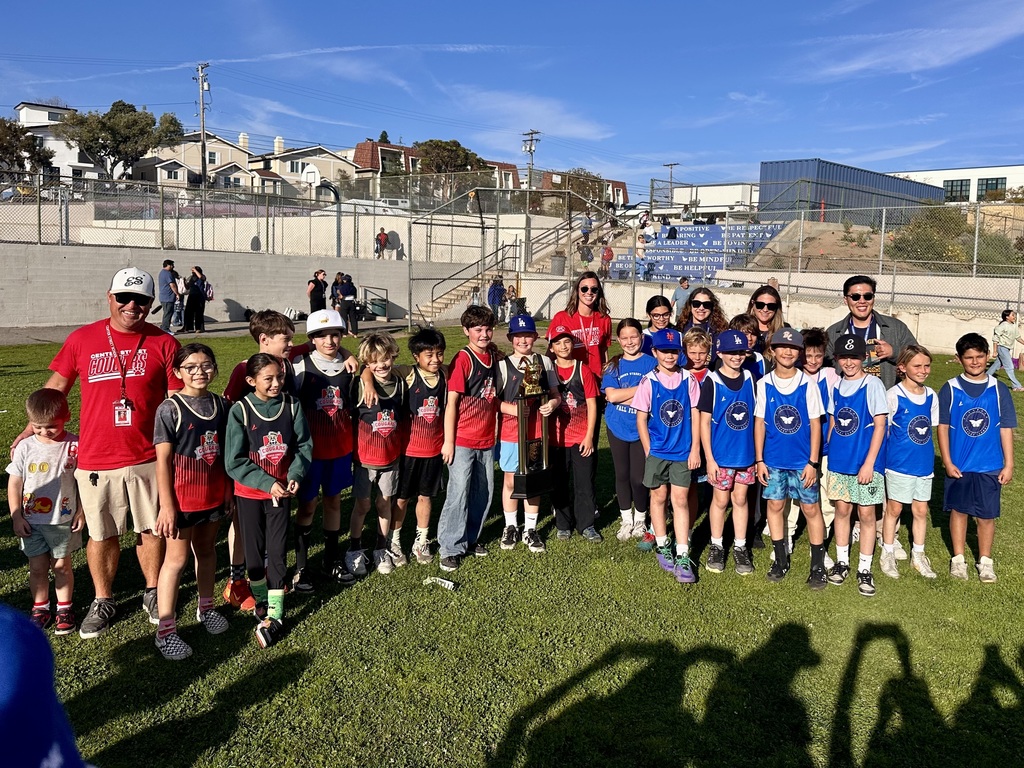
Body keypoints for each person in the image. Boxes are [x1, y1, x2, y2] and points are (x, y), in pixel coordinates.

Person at [9, 267, 182, 640]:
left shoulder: (164, 343)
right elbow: (56, 386)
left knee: (150, 529)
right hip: (96, 456)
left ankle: (152, 591)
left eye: (141, 300)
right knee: (101, 534)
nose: (132, 306)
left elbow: (175, 399)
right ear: (110, 297)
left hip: (148, 455)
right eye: (124, 298)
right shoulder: (83, 338)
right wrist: (30, 426)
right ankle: (103, 598)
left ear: (152, 305)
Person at [152, 343, 232, 660]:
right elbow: (162, 462)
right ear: (177, 372)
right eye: (191, 367)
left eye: (206, 365)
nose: (200, 372)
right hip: (182, 501)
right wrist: (167, 505)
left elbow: (225, 453)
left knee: (207, 552)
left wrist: (227, 491)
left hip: (213, 496)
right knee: (176, 561)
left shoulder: (222, 405)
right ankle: (166, 631)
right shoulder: (169, 409)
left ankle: (206, 608)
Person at [225, 354, 311, 640]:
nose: (276, 384)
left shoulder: (292, 405)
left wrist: (295, 475)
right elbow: (234, 461)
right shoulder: (240, 411)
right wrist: (266, 482)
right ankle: (260, 598)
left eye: (280, 377)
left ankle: (275, 610)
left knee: (276, 550)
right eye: (268, 379)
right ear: (251, 381)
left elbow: (303, 446)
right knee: (253, 550)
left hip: (282, 492)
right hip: (250, 494)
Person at [937, 332, 1016, 583]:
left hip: (990, 465)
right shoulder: (950, 388)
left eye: (979, 357)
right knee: (959, 512)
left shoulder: (998, 389)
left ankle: (985, 561)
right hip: (960, 465)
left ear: (988, 356)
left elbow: (1005, 428)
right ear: (960, 359)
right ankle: (958, 560)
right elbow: (941, 427)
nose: (974, 362)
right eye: (968, 357)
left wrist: (1009, 463)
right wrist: (947, 462)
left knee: (986, 516)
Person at [753, 329, 828, 590]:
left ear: (800, 353)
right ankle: (780, 558)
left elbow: (816, 424)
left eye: (793, 348)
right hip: (773, 461)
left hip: (802, 463)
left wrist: (813, 462)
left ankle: (817, 565)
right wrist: (760, 459)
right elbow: (760, 422)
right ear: (772, 351)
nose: (787, 352)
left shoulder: (808, 384)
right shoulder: (764, 384)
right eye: (782, 347)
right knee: (775, 507)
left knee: (810, 509)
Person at [6, 389, 83, 634]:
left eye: (51, 426)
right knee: (37, 568)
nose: (44, 432)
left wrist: (81, 511)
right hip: (30, 522)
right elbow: (15, 482)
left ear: (67, 416)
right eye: (38, 427)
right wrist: (16, 515)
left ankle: (64, 608)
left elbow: (82, 481)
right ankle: (40, 607)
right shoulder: (25, 447)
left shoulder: (75, 445)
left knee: (62, 567)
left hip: (63, 520)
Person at [291, 310, 357, 590]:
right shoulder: (299, 364)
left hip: (340, 447)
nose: (329, 340)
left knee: (333, 501)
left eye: (335, 335)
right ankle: (301, 566)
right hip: (309, 452)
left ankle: (331, 559)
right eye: (321, 335)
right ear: (312, 339)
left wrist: (349, 353)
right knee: (307, 506)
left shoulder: (351, 365)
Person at [634, 328, 701, 585]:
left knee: (681, 498)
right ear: (655, 352)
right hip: (658, 451)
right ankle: (663, 545)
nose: (669, 356)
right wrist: (649, 448)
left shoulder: (689, 380)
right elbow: (641, 417)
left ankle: (683, 554)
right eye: (664, 351)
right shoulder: (648, 381)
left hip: (683, 451)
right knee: (659, 495)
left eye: (674, 351)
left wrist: (695, 448)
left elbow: (695, 415)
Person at [824, 334, 888, 599]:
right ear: (837, 359)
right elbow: (833, 422)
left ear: (864, 357)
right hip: (840, 461)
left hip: (864, 464)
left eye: (854, 357)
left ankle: (864, 567)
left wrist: (869, 463)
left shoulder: (872, 385)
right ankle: (842, 562)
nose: (849, 362)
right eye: (844, 357)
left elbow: (880, 425)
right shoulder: (836, 386)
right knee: (842, 510)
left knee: (867, 515)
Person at [437, 306, 499, 572]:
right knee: (458, 493)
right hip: (462, 439)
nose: (483, 334)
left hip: (486, 439)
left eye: (487, 329)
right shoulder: (463, 359)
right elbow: (451, 404)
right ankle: (450, 547)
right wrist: (448, 441)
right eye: (477, 330)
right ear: (466, 331)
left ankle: (470, 539)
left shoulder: (493, 356)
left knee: (482, 492)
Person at [496, 316, 561, 552]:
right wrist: (512, 409)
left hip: (537, 431)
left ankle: (530, 529)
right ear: (511, 338)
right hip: (511, 432)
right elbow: (493, 402)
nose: (523, 340)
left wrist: (552, 405)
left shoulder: (544, 362)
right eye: (518, 336)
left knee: (534, 478)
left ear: (535, 337)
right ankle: (511, 526)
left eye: (528, 335)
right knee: (511, 479)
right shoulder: (503, 365)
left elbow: (555, 394)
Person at [350, 332, 408, 575]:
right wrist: (367, 378)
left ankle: (380, 548)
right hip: (365, 459)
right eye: (374, 361)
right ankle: (354, 549)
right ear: (367, 362)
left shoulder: (401, 383)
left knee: (385, 504)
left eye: (385, 359)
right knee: (362, 505)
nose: (381, 365)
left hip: (391, 458)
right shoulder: (359, 385)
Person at [699, 331, 756, 575]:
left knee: (741, 499)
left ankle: (741, 547)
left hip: (745, 455)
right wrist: (709, 459)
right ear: (719, 353)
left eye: (741, 352)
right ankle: (717, 544)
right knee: (720, 500)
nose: (736, 357)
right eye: (731, 352)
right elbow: (703, 422)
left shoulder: (751, 378)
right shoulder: (712, 381)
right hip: (720, 456)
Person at [880, 345, 939, 580]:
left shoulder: (931, 395)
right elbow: (884, 431)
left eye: (927, 365)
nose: (923, 370)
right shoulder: (894, 395)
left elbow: (931, 430)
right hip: (899, 464)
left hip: (923, 464)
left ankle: (918, 555)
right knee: (894, 509)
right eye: (917, 366)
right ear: (902, 368)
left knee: (921, 510)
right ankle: (887, 551)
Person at [390, 328, 448, 564]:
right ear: (416, 356)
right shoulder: (408, 373)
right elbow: (374, 369)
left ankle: (421, 540)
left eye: (439, 353)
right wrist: (367, 381)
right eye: (429, 355)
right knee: (402, 499)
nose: (435, 359)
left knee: (426, 497)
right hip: (408, 451)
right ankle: (393, 541)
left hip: (434, 450)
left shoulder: (445, 374)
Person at [602, 319, 656, 542]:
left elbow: (656, 394)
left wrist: (628, 393)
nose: (629, 341)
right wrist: (642, 389)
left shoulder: (652, 363)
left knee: (638, 477)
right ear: (618, 340)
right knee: (622, 475)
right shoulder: (614, 365)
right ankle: (626, 519)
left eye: (634, 337)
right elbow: (612, 395)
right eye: (624, 338)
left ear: (641, 338)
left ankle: (641, 518)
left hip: (641, 429)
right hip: (617, 426)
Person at [548, 326, 600, 542]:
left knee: (584, 483)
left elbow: (592, 404)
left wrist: (589, 436)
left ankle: (586, 524)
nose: (563, 346)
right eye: (558, 343)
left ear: (573, 344)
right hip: (556, 439)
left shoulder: (583, 369)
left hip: (580, 438)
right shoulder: (547, 371)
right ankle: (563, 523)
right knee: (559, 482)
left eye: (567, 341)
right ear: (551, 347)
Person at [825, 275, 917, 390]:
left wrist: (894, 352)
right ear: (845, 300)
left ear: (873, 298)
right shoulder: (834, 332)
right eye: (855, 297)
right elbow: (825, 367)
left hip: (885, 399)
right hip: (849, 399)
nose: (862, 301)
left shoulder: (896, 327)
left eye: (867, 296)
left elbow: (918, 358)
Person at [549, 271, 613, 384]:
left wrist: (606, 377)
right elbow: (551, 351)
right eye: (584, 289)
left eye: (594, 289)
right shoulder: (561, 318)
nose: (589, 292)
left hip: (596, 379)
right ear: (577, 291)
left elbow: (603, 352)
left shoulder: (604, 319)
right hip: (569, 380)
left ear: (598, 292)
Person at [986, 309, 1024, 391]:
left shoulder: (1013, 325)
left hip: (1007, 349)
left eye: (1014, 315)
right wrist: (995, 351)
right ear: (1007, 317)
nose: (1014, 317)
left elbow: (1018, 337)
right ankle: (1016, 386)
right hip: (1002, 348)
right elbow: (995, 338)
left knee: (996, 365)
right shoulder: (1003, 325)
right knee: (1009, 367)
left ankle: (985, 378)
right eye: (1012, 315)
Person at [746, 285, 787, 358]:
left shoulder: (784, 331)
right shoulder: (740, 325)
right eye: (760, 305)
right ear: (753, 303)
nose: (765, 310)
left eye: (771, 306)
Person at [182, 266, 209, 334]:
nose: (193, 272)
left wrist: (195, 270)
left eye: (194, 271)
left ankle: (199, 328)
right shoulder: (191, 278)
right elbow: (188, 287)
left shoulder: (202, 276)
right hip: (192, 295)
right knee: (188, 312)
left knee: (199, 313)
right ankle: (188, 327)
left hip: (199, 296)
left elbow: (201, 277)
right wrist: (184, 282)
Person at [158, 258, 180, 334]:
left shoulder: (162, 273)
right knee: (168, 313)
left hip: (164, 297)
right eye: (172, 265)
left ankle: (164, 327)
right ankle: (165, 329)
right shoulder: (167, 273)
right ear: (168, 265)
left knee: (166, 313)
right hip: (168, 297)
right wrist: (177, 294)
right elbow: (172, 285)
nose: (173, 266)